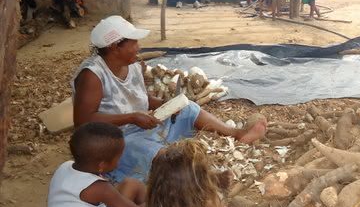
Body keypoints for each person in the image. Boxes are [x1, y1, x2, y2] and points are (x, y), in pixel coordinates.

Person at [72, 15, 267, 183]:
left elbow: (141, 97)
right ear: (115, 46)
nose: (139, 47)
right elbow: (83, 122)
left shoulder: (132, 65)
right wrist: (131, 118)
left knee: (189, 108)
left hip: (140, 126)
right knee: (146, 150)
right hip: (115, 139)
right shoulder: (93, 75)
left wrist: (165, 105)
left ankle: (236, 133)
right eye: (134, 43)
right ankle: (201, 178)